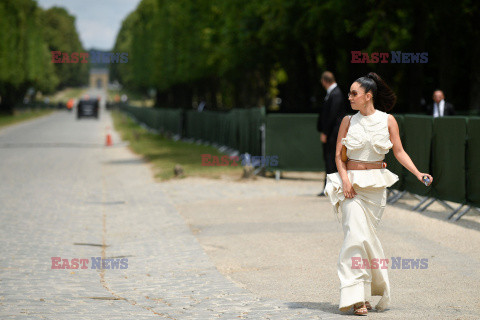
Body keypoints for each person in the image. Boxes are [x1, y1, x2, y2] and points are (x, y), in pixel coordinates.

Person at [324, 72, 433, 316]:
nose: (349, 97)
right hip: (350, 185)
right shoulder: (347, 121)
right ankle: (356, 298)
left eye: (354, 93)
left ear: (368, 96)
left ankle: (367, 291)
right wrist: (344, 181)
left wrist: (418, 173)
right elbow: (338, 157)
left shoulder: (388, 120)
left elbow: (399, 152)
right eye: (350, 93)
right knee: (354, 237)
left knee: (367, 241)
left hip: (375, 189)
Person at [317, 71, 348, 196]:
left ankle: (333, 188)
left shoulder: (335, 94)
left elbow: (332, 115)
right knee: (329, 159)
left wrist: (325, 132)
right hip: (332, 133)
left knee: (332, 159)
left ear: (324, 81)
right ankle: (329, 187)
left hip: (334, 133)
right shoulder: (332, 94)